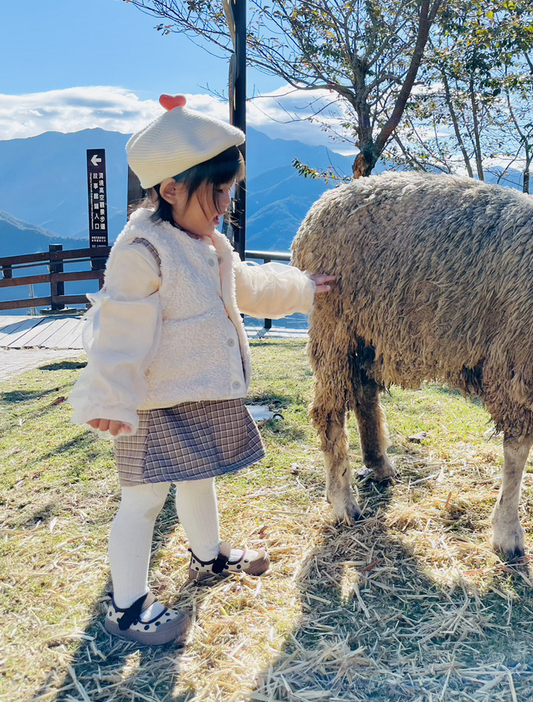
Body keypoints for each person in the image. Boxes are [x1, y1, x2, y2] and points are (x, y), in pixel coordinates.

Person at [69, 96, 334, 646]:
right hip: (152, 400)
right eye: (216, 191)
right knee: (143, 499)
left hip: (200, 393)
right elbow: (119, 331)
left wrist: (305, 287)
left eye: (229, 189)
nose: (225, 204)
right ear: (170, 188)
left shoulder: (211, 245)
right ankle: (127, 607)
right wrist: (111, 399)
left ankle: (207, 555)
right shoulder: (143, 249)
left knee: (198, 474)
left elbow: (252, 287)